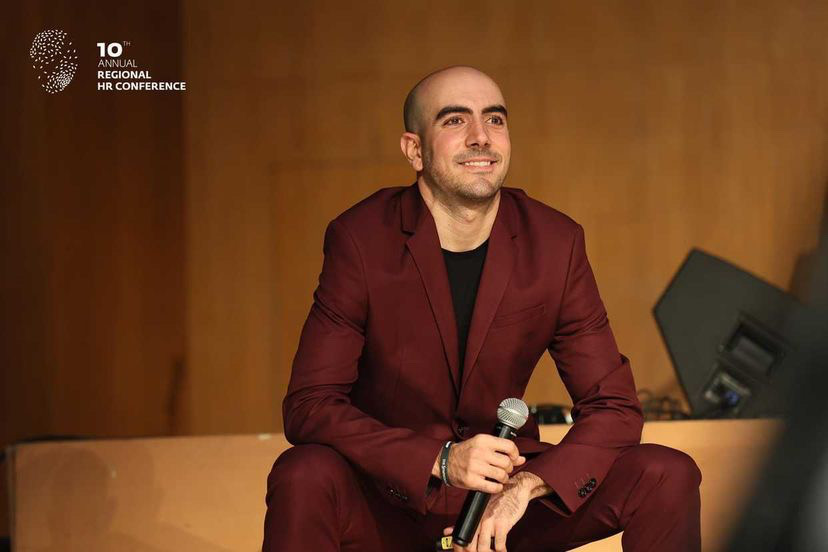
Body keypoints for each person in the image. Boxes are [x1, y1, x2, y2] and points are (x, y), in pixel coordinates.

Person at [263, 65, 701, 552]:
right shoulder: (361, 239)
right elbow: (310, 405)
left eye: (494, 120)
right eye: (454, 121)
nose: (480, 137)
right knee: (302, 473)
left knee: (666, 473)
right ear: (414, 150)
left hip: (505, 503)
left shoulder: (555, 242)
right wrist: (441, 460)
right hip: (392, 496)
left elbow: (614, 408)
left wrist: (527, 488)